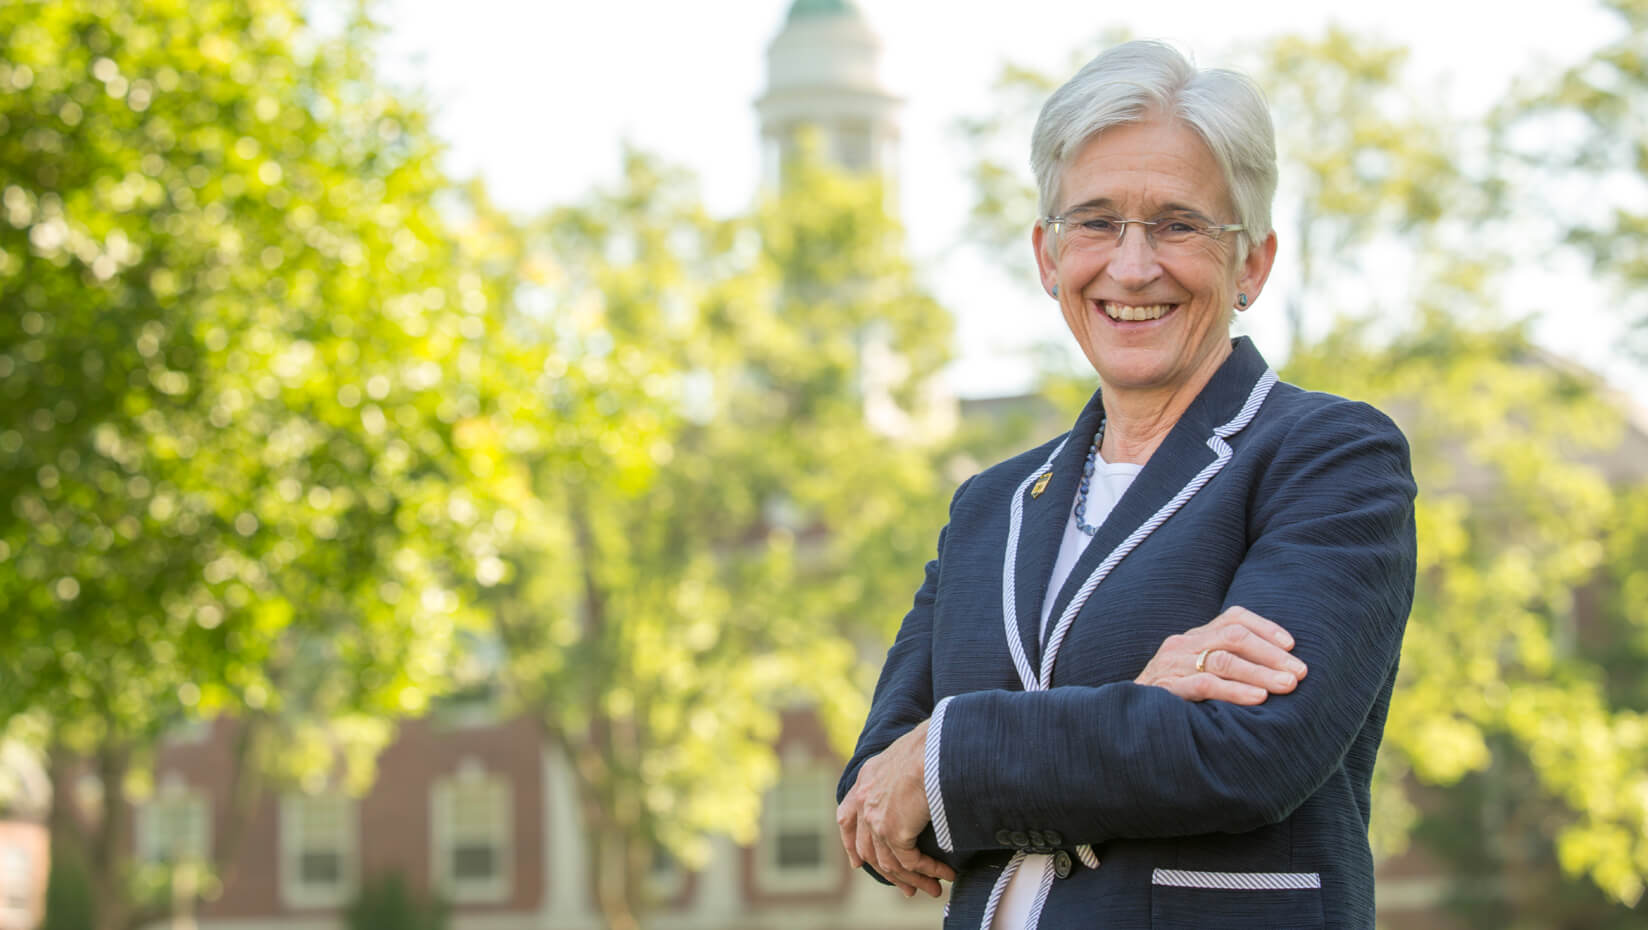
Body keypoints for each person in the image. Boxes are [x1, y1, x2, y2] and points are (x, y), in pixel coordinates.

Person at [834, 40, 1417, 930]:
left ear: (1252, 264)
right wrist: (1139, 705)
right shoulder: (988, 506)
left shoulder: (1329, 458)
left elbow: (1249, 755)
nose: (1133, 266)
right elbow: (875, 804)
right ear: (1047, 254)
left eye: (1179, 224)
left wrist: (953, 756)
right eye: (1097, 222)